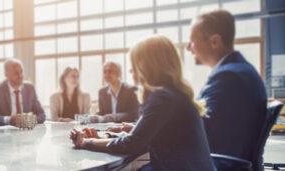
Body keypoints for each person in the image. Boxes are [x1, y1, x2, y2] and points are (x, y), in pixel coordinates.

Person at [70, 35, 214, 170]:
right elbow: (147, 137)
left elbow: (132, 144)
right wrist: (107, 136)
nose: (131, 71)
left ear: (147, 66)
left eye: (134, 65)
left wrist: (85, 143)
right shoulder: (176, 94)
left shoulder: (161, 98)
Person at [187, 9, 267, 167]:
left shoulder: (228, 77)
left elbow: (199, 133)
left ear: (215, 41)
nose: (189, 48)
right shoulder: (240, 70)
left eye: (193, 41)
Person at [0, 59, 46, 126]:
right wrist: (9, 120)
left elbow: (42, 114)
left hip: (25, 131)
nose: (20, 75)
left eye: (21, 71)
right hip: (3, 133)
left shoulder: (30, 88)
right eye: (16, 73)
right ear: (6, 74)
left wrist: (29, 119)